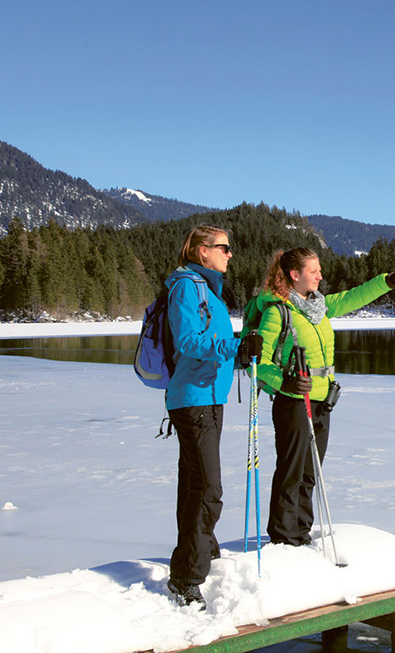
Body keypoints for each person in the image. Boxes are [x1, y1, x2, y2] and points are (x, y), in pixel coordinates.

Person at [248, 248, 395, 547]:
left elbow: (356, 296)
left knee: (310, 472)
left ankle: (300, 534)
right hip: (293, 402)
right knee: (292, 471)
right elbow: (258, 364)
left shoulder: (320, 307)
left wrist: (390, 281)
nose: (320, 276)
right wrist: (284, 381)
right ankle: (284, 539)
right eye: (314, 271)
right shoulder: (278, 312)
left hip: (323, 401)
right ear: (295, 275)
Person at [164, 224, 261, 609]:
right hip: (194, 399)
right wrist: (235, 346)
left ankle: (200, 549)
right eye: (223, 247)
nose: (230, 253)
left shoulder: (209, 289)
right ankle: (187, 576)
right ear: (202, 251)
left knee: (193, 483)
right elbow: (188, 340)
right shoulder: (189, 286)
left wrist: (238, 347)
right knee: (207, 488)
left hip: (207, 397)